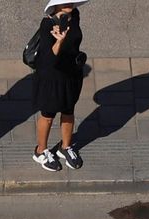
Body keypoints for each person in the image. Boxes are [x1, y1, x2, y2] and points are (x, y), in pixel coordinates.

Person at [32, 0, 86, 172]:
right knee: (48, 114)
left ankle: (66, 147)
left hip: (71, 74)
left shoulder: (74, 16)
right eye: (64, 1)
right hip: (52, 77)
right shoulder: (47, 24)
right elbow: (48, 59)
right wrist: (59, 41)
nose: (69, 3)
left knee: (68, 111)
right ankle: (40, 151)